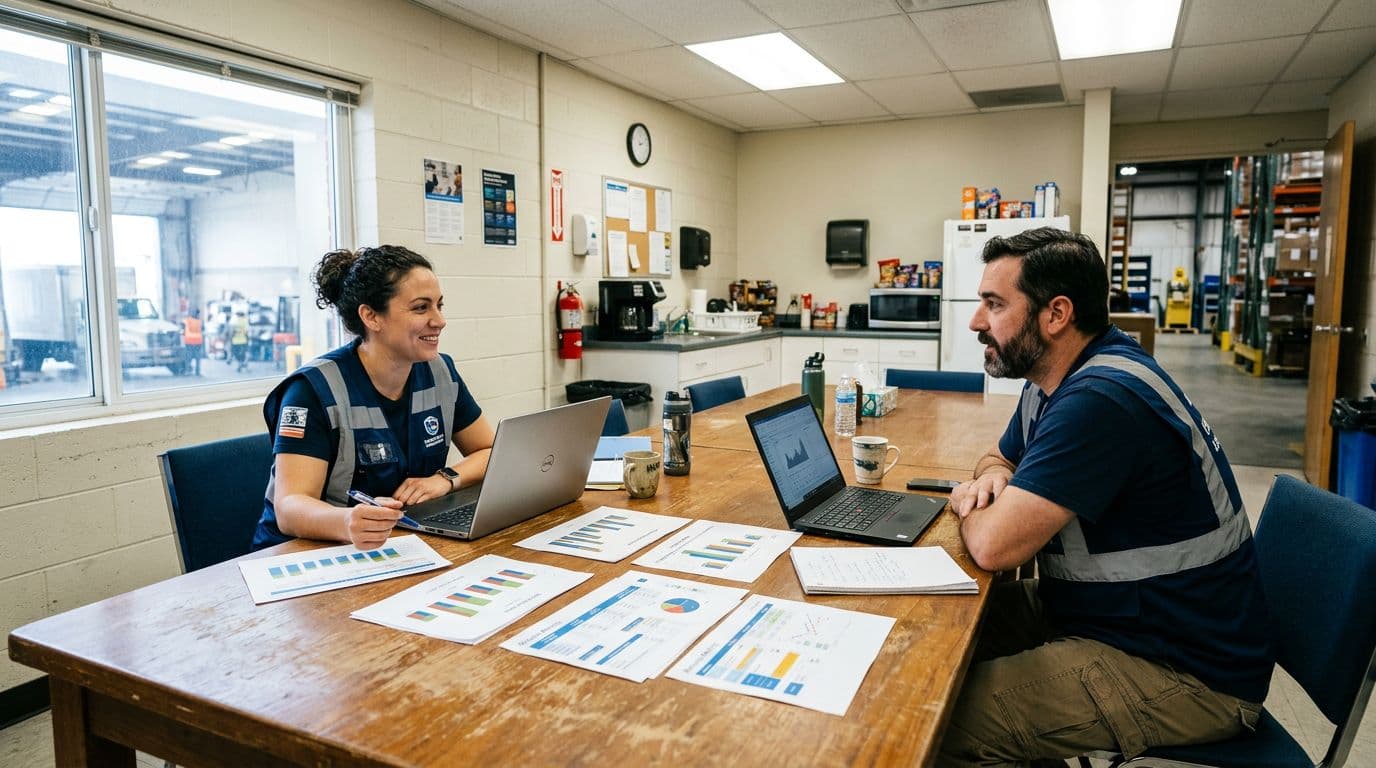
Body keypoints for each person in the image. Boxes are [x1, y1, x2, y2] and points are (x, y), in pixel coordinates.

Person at [936, 228, 1271, 767]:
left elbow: (995, 548)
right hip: (1110, 620)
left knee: (943, 717)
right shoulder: (1054, 379)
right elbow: (997, 459)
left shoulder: (1101, 400)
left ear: (1056, 314)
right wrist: (991, 479)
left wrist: (966, 499)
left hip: (1186, 673)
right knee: (937, 633)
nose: (977, 321)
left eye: (994, 304)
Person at [252, 245, 495, 551]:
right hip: (307, 556)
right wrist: (347, 521)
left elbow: (490, 451)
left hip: (395, 545)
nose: (439, 320)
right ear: (370, 316)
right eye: (421, 308)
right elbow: (289, 508)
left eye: (439, 306)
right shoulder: (311, 391)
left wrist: (445, 479)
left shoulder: (440, 372)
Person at [181, 308, 202, 375]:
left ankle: (187, 371)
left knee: (188, 357)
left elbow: (183, 330)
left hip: (189, 341)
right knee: (197, 357)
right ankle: (197, 371)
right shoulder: (199, 322)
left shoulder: (187, 320)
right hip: (198, 341)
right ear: (198, 314)